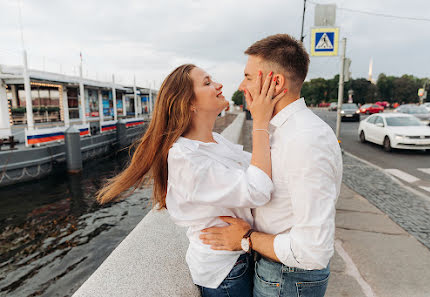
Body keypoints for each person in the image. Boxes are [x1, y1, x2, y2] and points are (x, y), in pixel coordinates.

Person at [95, 64, 286, 297]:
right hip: (225, 270)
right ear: (189, 103)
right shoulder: (185, 156)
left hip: (237, 257)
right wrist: (259, 123)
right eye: (207, 83)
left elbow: (263, 167)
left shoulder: (214, 141)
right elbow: (258, 189)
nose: (219, 85)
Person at [200, 34, 343, 297]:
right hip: (280, 271)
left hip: (288, 276)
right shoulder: (282, 130)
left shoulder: (304, 140)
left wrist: (246, 239)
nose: (242, 86)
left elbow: (313, 250)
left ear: (275, 83)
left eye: (249, 77)